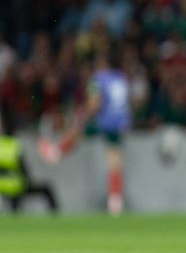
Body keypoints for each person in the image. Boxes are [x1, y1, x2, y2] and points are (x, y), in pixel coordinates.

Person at [39, 49, 131, 215]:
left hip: (104, 119)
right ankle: (115, 202)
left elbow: (94, 103)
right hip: (120, 121)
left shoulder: (99, 78)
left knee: (78, 128)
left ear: (103, 64)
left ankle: (57, 152)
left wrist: (84, 114)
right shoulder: (120, 77)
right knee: (115, 160)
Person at [0, 117, 59, 214]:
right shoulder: (14, 144)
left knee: (14, 209)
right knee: (46, 189)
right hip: (16, 186)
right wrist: (28, 180)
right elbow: (22, 167)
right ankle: (55, 216)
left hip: (2, 187)